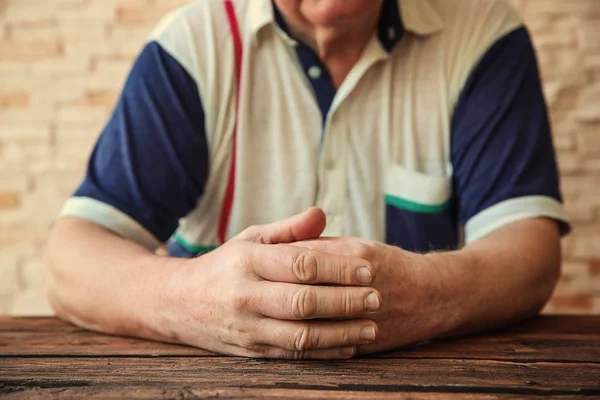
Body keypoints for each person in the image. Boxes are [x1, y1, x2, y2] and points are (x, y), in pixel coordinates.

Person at [45, 0, 570, 359]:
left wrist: (427, 294)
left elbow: (529, 251)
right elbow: (72, 260)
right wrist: (193, 298)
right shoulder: (194, 45)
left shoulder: (483, 32)